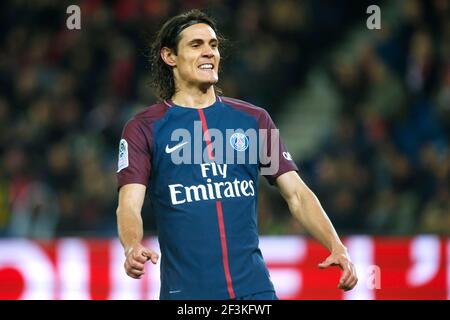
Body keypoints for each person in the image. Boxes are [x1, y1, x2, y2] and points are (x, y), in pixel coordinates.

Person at [116, 9, 357, 300]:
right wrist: (132, 245)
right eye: (196, 45)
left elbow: (297, 194)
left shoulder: (253, 120)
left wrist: (336, 245)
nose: (209, 52)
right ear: (170, 57)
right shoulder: (144, 128)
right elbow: (128, 205)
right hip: (187, 296)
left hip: (254, 292)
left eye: (213, 45)